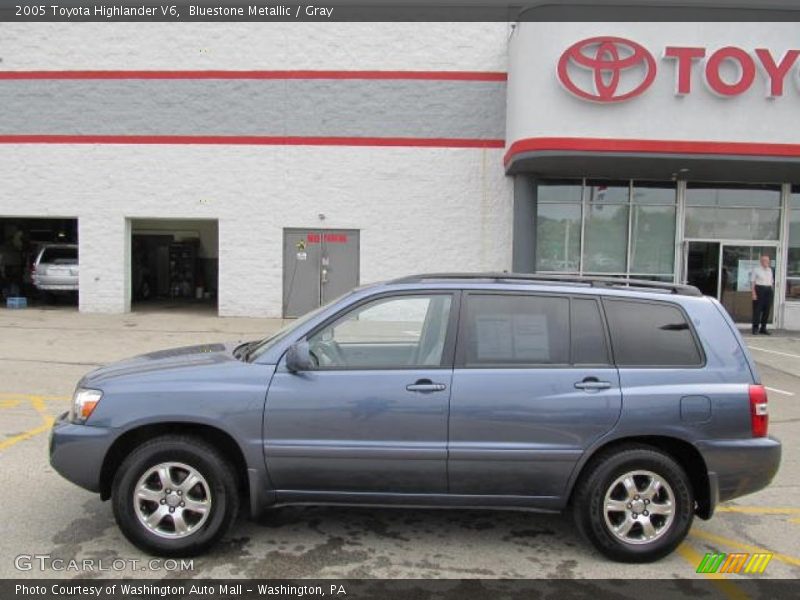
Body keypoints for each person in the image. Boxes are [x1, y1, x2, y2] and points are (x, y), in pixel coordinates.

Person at [750, 255, 774, 335]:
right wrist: (753, 293)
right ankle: (755, 328)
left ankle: (763, 328)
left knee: (766, 311)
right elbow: (752, 282)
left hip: (768, 291)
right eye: (764, 260)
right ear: (761, 261)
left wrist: (771, 291)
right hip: (759, 290)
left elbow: (771, 282)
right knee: (757, 310)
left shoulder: (770, 270)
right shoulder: (756, 270)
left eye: (767, 261)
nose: (766, 262)